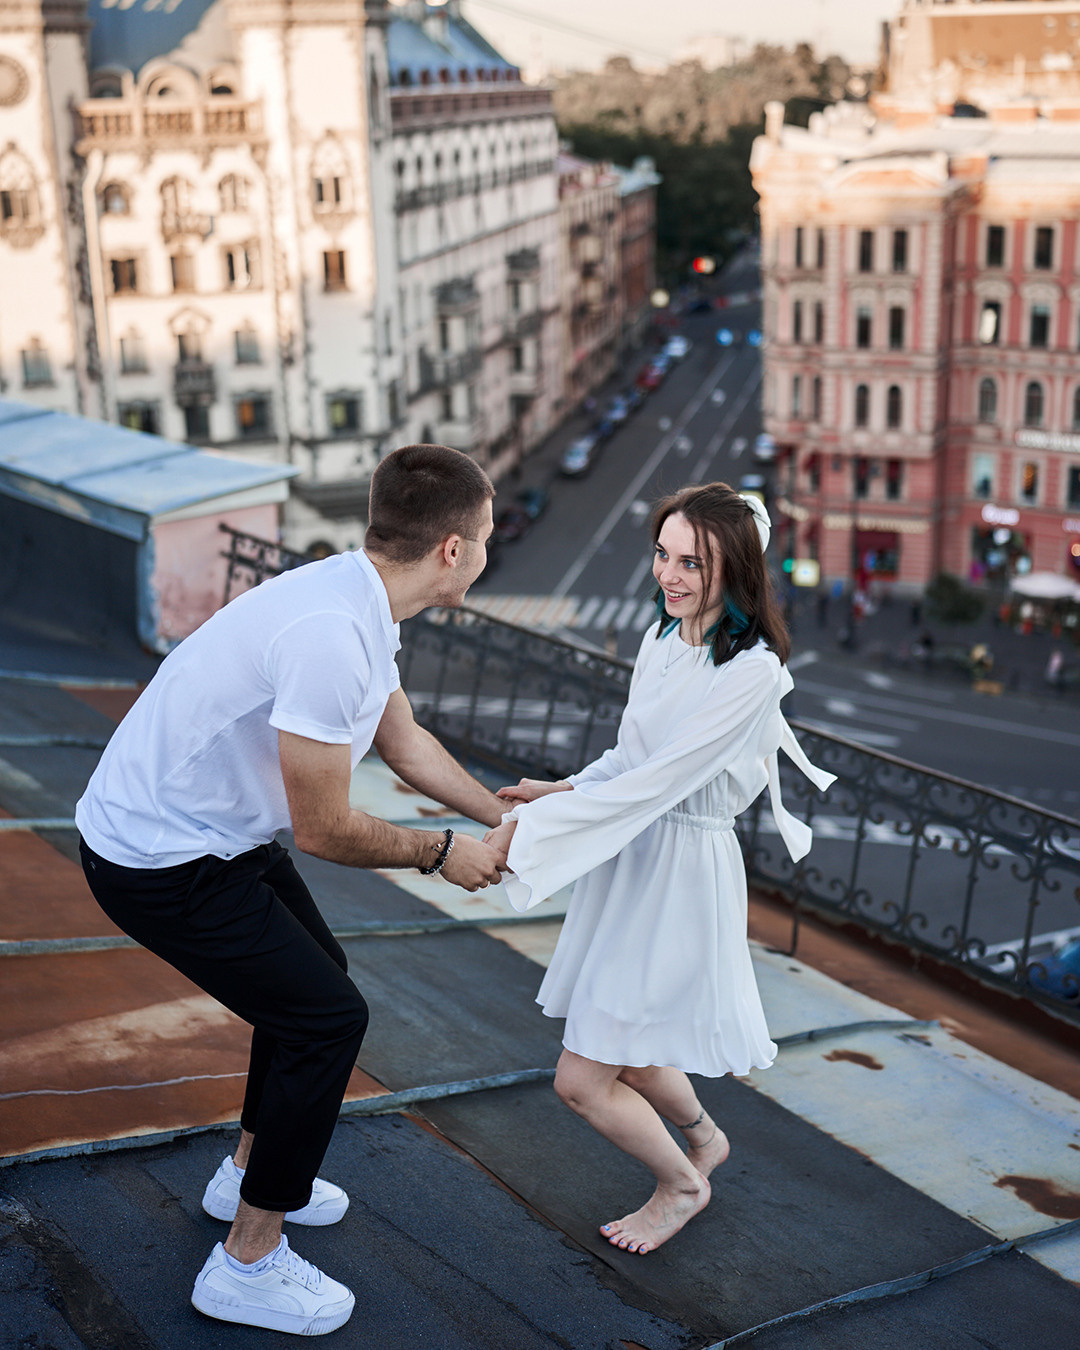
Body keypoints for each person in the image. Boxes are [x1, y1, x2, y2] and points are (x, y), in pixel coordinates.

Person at [76, 444, 510, 1336]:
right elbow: (325, 831)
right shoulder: (329, 636)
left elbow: (406, 743)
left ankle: (246, 1172)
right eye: (490, 533)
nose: (491, 548)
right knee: (327, 1018)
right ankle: (246, 1261)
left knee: (318, 977)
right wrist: (441, 853)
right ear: (454, 551)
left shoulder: (358, 599)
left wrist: (506, 810)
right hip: (154, 856)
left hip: (208, 834)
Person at [484, 483, 834, 1256]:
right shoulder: (663, 637)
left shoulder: (754, 672)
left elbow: (658, 783)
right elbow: (631, 758)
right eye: (663, 555)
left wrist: (534, 831)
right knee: (635, 1050)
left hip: (679, 869)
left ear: (735, 569)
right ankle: (705, 1142)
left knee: (582, 1079)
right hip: (637, 855)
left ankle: (680, 1186)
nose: (669, 576)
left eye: (692, 563)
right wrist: (562, 788)